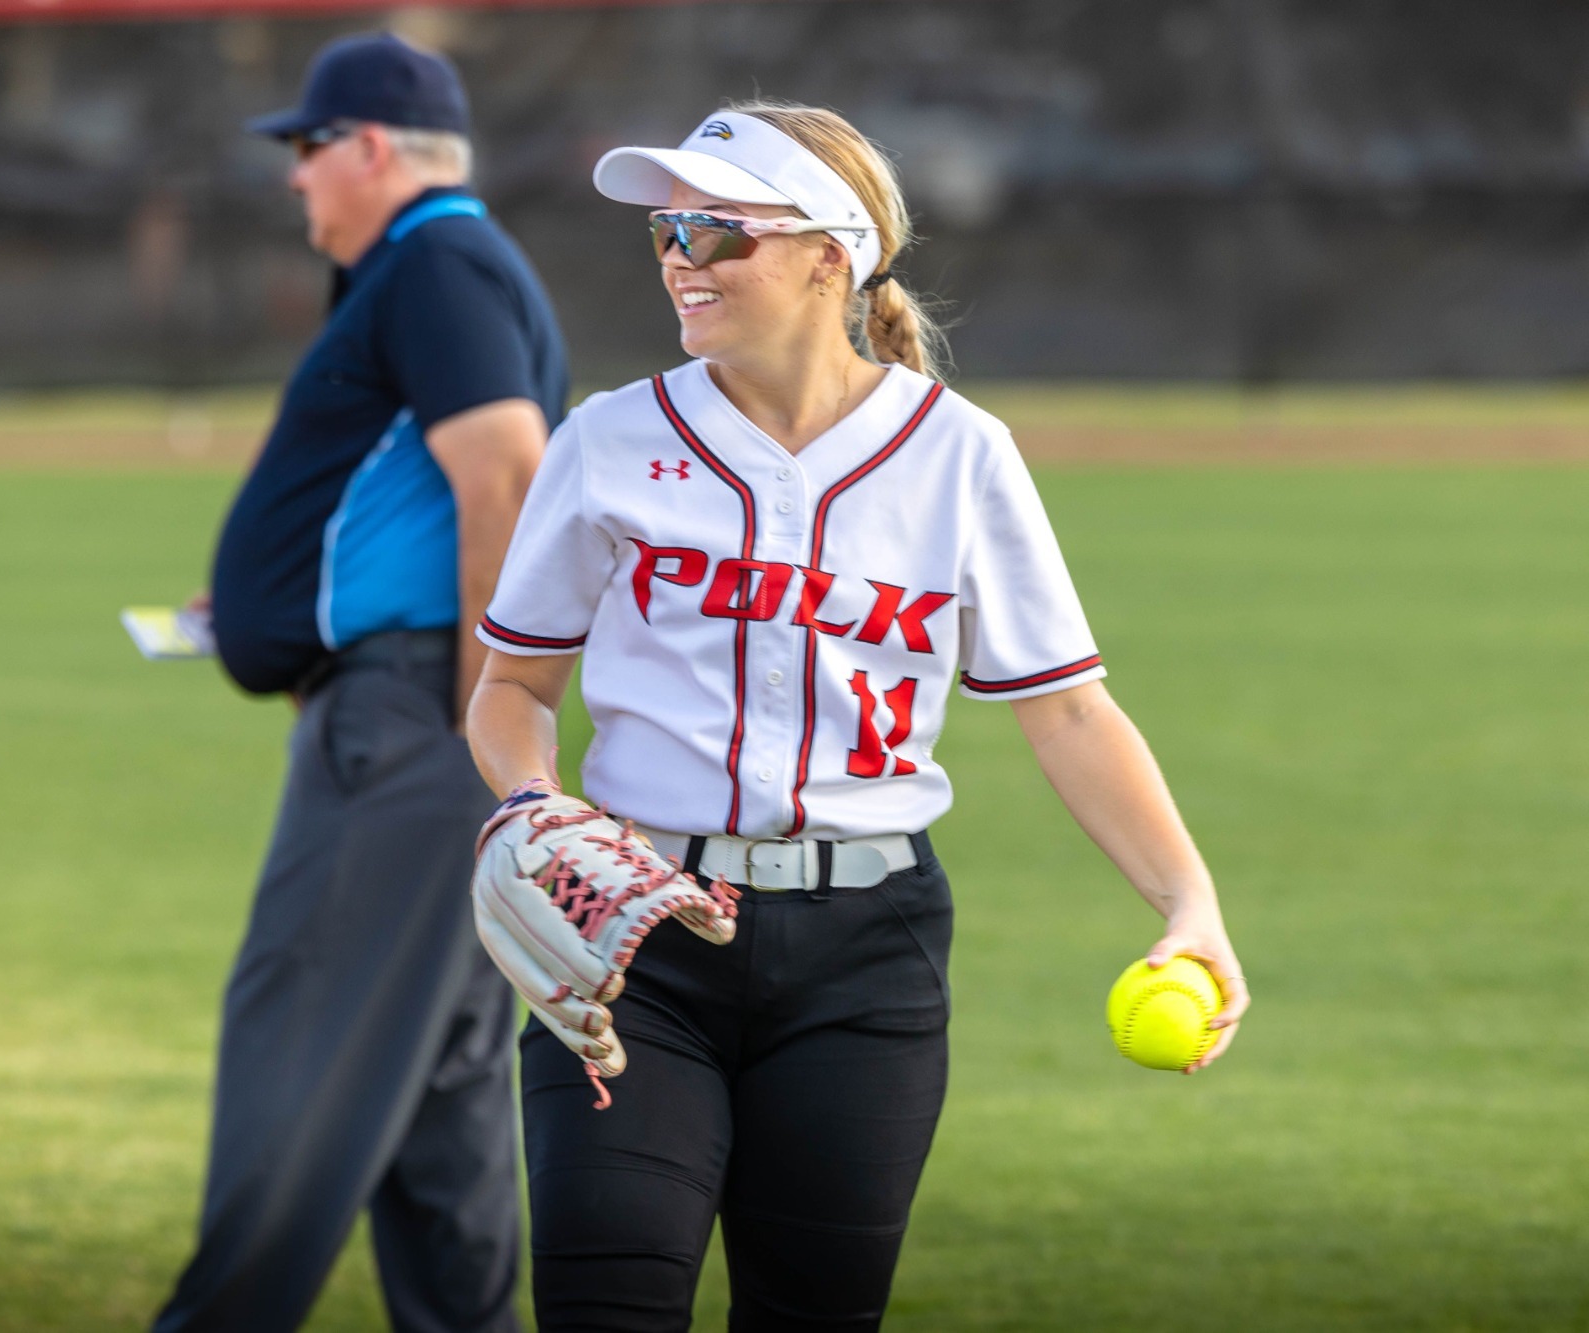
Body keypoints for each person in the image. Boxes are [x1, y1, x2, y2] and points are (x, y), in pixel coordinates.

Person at [463, 101, 1251, 1331]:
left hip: (865, 955)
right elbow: (510, 687)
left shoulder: (959, 455)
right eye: (667, 228)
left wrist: (1186, 903)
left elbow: (1067, 712)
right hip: (634, 938)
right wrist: (533, 806)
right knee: (603, 1300)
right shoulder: (607, 439)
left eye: (718, 231)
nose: (679, 254)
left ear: (832, 253)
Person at [154, 33, 565, 1333]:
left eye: (308, 147)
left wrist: (476, 734)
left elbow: (504, 471)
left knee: (303, 1067)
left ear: (372, 148)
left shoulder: (433, 257)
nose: (297, 179)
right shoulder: (438, 262)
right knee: (437, 1112)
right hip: (415, 721)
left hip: (410, 734)